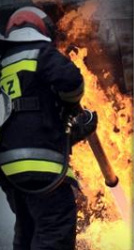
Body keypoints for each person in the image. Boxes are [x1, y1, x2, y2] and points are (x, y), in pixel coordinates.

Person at [0, 6, 96, 249]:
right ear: (42, 30)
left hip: (9, 170)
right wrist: (71, 106)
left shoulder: (3, 65)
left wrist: (71, 132)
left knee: (27, 229)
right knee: (55, 228)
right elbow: (72, 82)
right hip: (42, 168)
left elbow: (27, 126)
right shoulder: (39, 53)